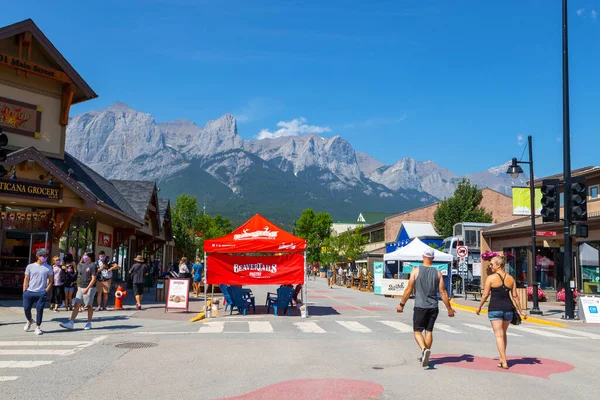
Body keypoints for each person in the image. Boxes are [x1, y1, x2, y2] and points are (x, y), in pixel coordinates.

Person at [396, 248, 456, 367]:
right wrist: (449, 308)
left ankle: (424, 350)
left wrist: (401, 304)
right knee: (429, 331)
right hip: (433, 306)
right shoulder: (438, 273)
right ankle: (425, 355)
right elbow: (443, 292)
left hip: (420, 306)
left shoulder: (415, 271)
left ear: (423, 257)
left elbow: (409, 289)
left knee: (417, 331)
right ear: (433, 259)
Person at [476, 255, 527, 369]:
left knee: (498, 335)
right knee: (503, 334)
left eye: (492, 264)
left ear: (498, 265)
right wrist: (520, 310)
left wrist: (479, 307)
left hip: (495, 309)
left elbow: (485, 295)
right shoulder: (511, 278)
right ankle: (501, 359)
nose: (490, 266)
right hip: (508, 309)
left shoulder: (491, 278)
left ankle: (504, 361)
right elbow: (515, 296)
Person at [60, 251, 97, 331]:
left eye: (85, 255)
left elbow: (93, 279)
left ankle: (89, 322)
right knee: (77, 303)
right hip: (81, 287)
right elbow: (79, 276)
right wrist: (79, 286)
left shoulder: (93, 265)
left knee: (89, 305)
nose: (84, 257)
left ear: (90, 257)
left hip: (89, 288)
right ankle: (71, 322)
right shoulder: (82, 265)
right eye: (84, 255)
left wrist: (87, 289)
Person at [23, 248, 53, 335]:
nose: (45, 257)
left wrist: (46, 291)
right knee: (26, 309)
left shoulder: (48, 268)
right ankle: (29, 320)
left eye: (46, 256)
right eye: (43, 256)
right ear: (38, 256)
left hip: (41, 292)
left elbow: (51, 281)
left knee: (39, 310)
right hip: (29, 291)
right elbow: (26, 279)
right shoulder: (30, 266)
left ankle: (38, 327)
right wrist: (24, 290)